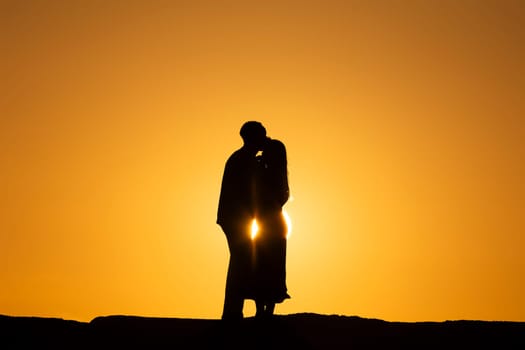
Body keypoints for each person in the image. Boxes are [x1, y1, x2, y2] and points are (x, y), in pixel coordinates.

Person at [217, 121, 267, 321]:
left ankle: (233, 310)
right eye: (262, 136)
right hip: (235, 218)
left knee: (240, 260)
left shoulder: (243, 159)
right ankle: (232, 312)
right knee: (240, 260)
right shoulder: (242, 160)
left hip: (236, 218)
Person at [251, 137, 291, 318]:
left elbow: (260, 197)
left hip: (268, 224)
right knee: (270, 265)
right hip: (273, 223)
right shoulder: (279, 174)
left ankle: (263, 311)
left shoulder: (267, 174)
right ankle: (266, 311)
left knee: (263, 264)